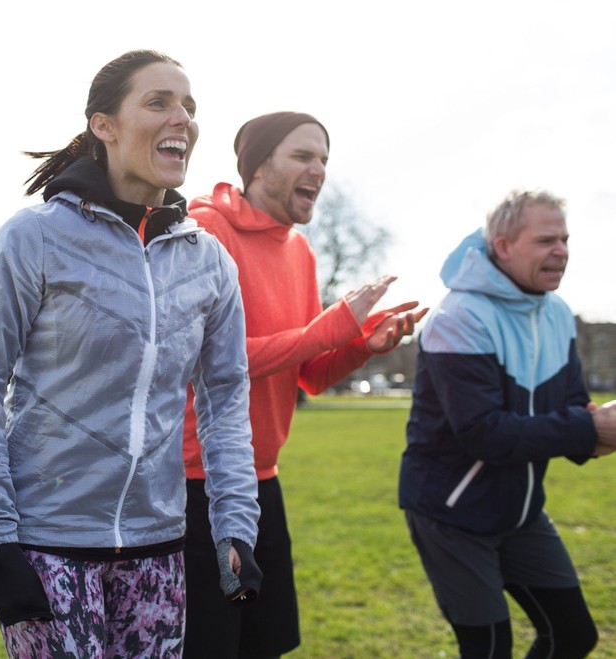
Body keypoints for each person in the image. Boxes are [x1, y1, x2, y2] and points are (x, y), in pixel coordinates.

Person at [0, 50, 261, 657]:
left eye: (190, 107)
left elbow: (225, 404)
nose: (182, 119)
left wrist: (235, 528)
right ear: (104, 125)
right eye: (159, 102)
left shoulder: (210, 261)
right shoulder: (33, 238)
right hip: (47, 545)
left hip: (159, 547)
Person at [181, 111, 427, 658]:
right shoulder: (205, 232)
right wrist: (330, 328)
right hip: (199, 484)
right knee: (211, 646)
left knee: (267, 643)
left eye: (323, 160)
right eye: (302, 156)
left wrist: (362, 343)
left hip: (264, 479)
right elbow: (207, 360)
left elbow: (310, 375)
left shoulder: (301, 250)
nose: (318, 169)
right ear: (258, 166)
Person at [399, 189, 616, 658]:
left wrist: (600, 432)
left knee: (574, 635)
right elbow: (483, 433)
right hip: (452, 513)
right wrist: (588, 429)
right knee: (491, 648)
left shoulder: (558, 313)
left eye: (564, 239)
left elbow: (573, 406)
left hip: (520, 510)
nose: (561, 250)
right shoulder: (458, 317)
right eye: (545, 240)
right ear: (503, 246)